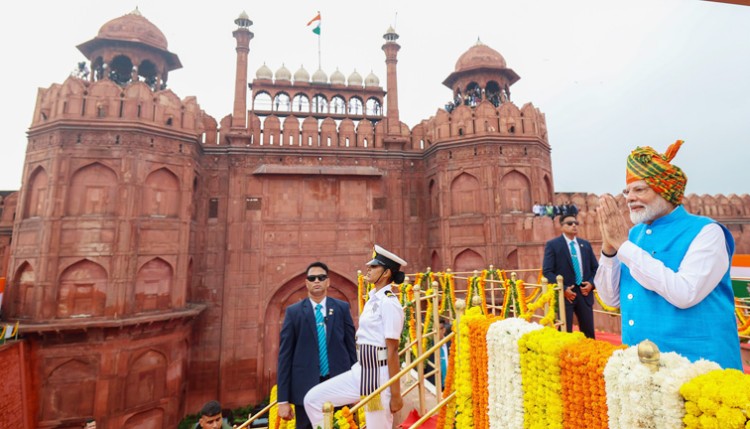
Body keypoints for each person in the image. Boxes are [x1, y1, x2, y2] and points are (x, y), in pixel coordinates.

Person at [595, 140, 742, 370]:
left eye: (639, 189)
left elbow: (685, 293)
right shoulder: (634, 236)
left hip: (698, 369)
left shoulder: (706, 232)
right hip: (641, 369)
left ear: (665, 190)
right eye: (627, 191)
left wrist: (623, 246)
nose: (629, 197)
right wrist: (610, 250)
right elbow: (610, 299)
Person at [305, 245, 407, 428]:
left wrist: (396, 394)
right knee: (312, 399)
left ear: (386, 273)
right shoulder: (373, 299)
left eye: (374, 266)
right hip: (362, 370)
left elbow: (392, 350)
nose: (368, 268)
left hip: (379, 375)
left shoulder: (389, 303)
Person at [277, 262, 357, 429]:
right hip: (305, 388)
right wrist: (283, 400)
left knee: (341, 425)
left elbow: (351, 349)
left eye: (321, 277)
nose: (317, 281)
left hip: (338, 383)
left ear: (328, 282)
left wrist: (357, 385)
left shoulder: (341, 308)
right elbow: (285, 356)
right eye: (312, 278)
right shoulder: (294, 312)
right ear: (306, 283)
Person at [543, 214, 599, 338]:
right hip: (565, 296)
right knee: (564, 331)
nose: (574, 225)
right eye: (569, 223)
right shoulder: (553, 245)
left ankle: (591, 356)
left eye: (575, 223)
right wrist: (563, 289)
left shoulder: (585, 245)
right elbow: (547, 272)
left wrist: (591, 283)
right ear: (561, 226)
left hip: (584, 294)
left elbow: (596, 269)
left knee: (588, 332)